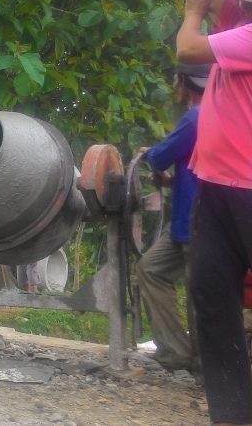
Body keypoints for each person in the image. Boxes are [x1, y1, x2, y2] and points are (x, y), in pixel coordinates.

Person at [176, 0, 252, 423]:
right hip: (216, 188)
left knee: (218, 304)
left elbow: (187, 48)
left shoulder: (246, 35)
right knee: (213, 304)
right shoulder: (237, 22)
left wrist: (191, 12)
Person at [135, 63, 210, 377]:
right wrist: (170, 181)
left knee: (200, 293)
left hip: (200, 223)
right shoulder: (224, 115)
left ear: (183, 83)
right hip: (188, 220)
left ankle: (207, 368)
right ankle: (177, 351)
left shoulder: (196, 117)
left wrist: (149, 153)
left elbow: (158, 157)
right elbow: (197, 168)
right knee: (151, 269)